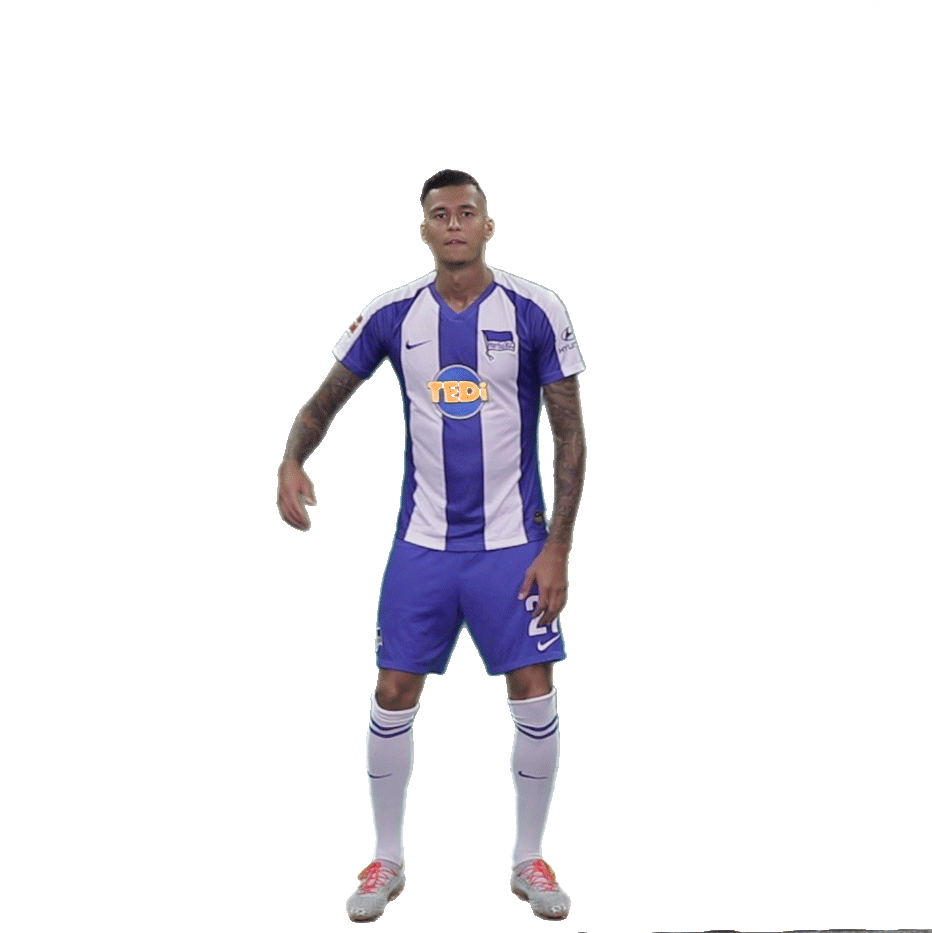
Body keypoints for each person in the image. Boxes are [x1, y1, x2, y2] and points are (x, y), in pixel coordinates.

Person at [276, 169, 586, 922]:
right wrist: (292, 459)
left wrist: (559, 549)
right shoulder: (394, 312)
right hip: (422, 543)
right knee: (392, 692)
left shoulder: (536, 309)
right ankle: (386, 858)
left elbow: (571, 434)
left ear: (487, 225)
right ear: (423, 229)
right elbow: (325, 399)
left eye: (466, 212)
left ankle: (529, 858)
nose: (453, 224)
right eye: (440, 214)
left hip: (514, 545)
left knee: (533, 688)